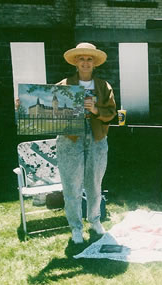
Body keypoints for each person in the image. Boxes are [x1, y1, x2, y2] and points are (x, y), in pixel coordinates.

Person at [57, 43, 116, 244]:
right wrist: (24, 103)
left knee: (94, 183)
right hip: (69, 139)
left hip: (96, 139)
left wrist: (95, 110)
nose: (85, 62)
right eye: (81, 59)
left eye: (89, 59)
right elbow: (46, 106)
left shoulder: (103, 86)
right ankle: (75, 227)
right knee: (71, 185)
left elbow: (111, 114)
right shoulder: (64, 85)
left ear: (94, 64)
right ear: (75, 62)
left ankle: (95, 220)